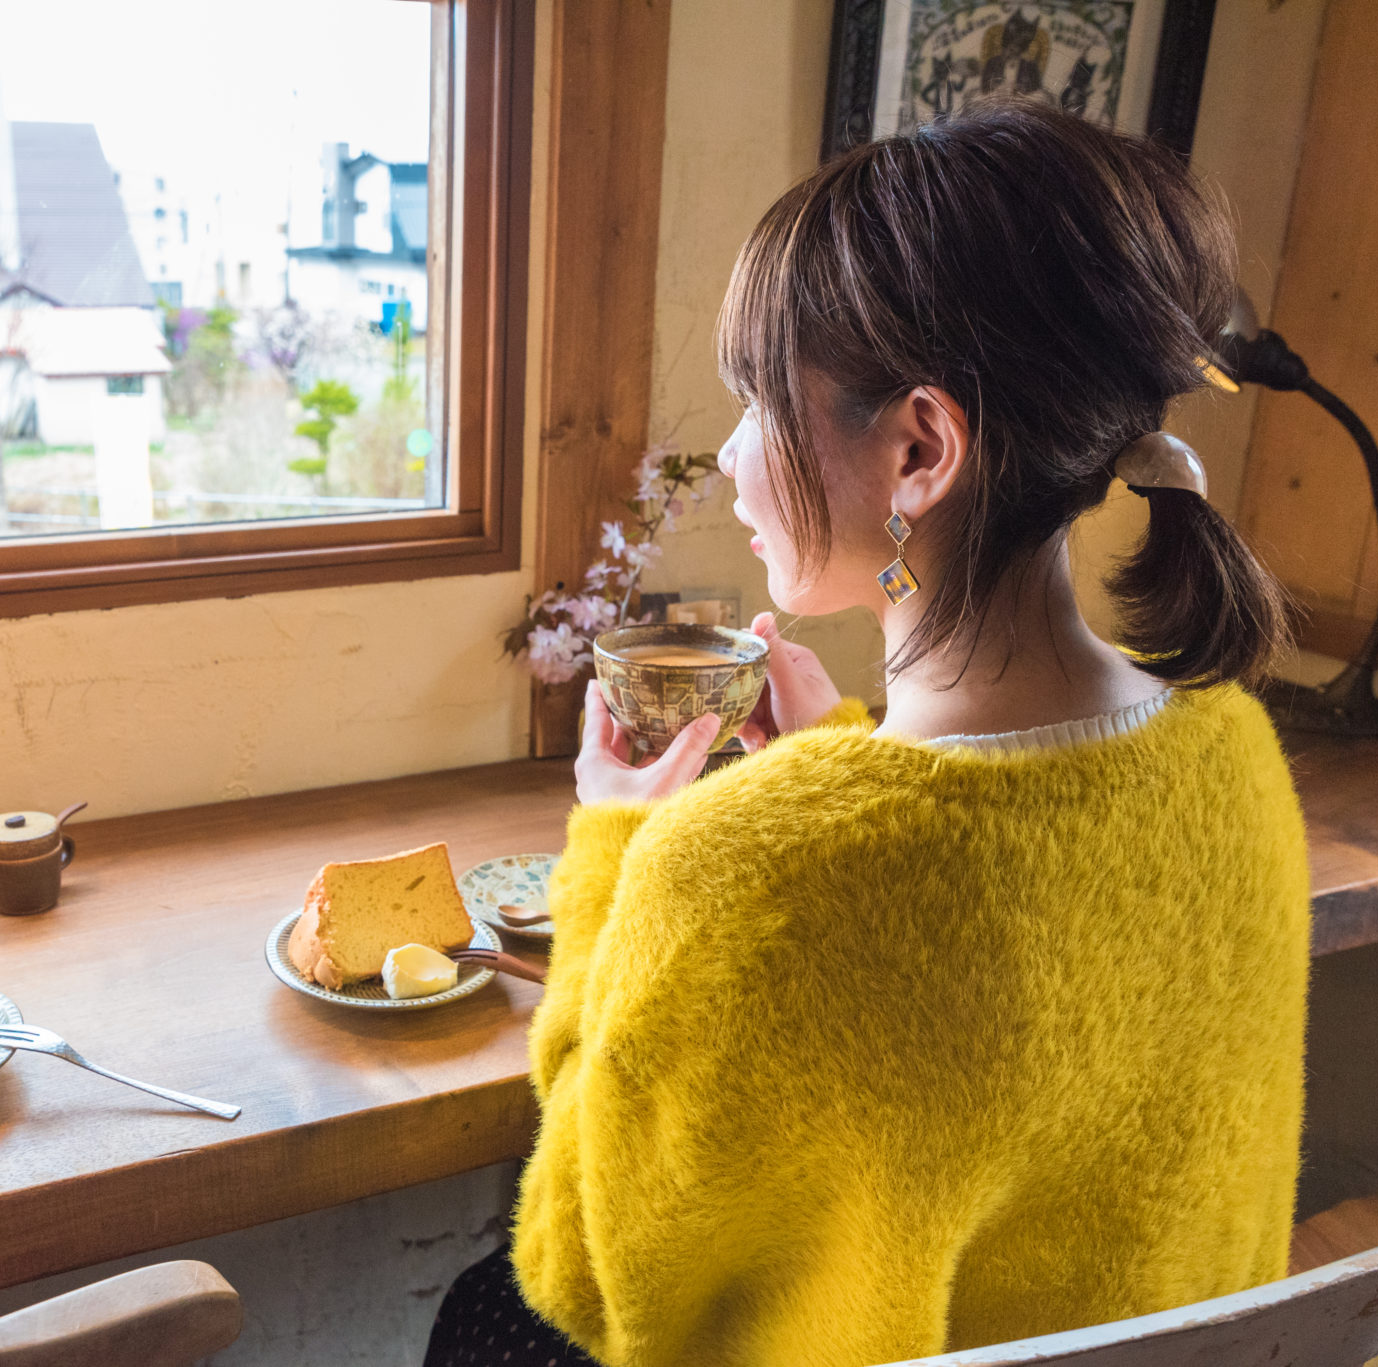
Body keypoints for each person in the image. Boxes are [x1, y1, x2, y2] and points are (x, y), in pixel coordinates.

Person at [425, 99, 1309, 1367]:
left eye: (754, 403)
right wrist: (835, 754)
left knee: (487, 1314)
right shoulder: (1229, 750)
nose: (729, 457)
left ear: (918, 447)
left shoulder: (744, 866)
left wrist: (617, 847)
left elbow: (586, 1275)